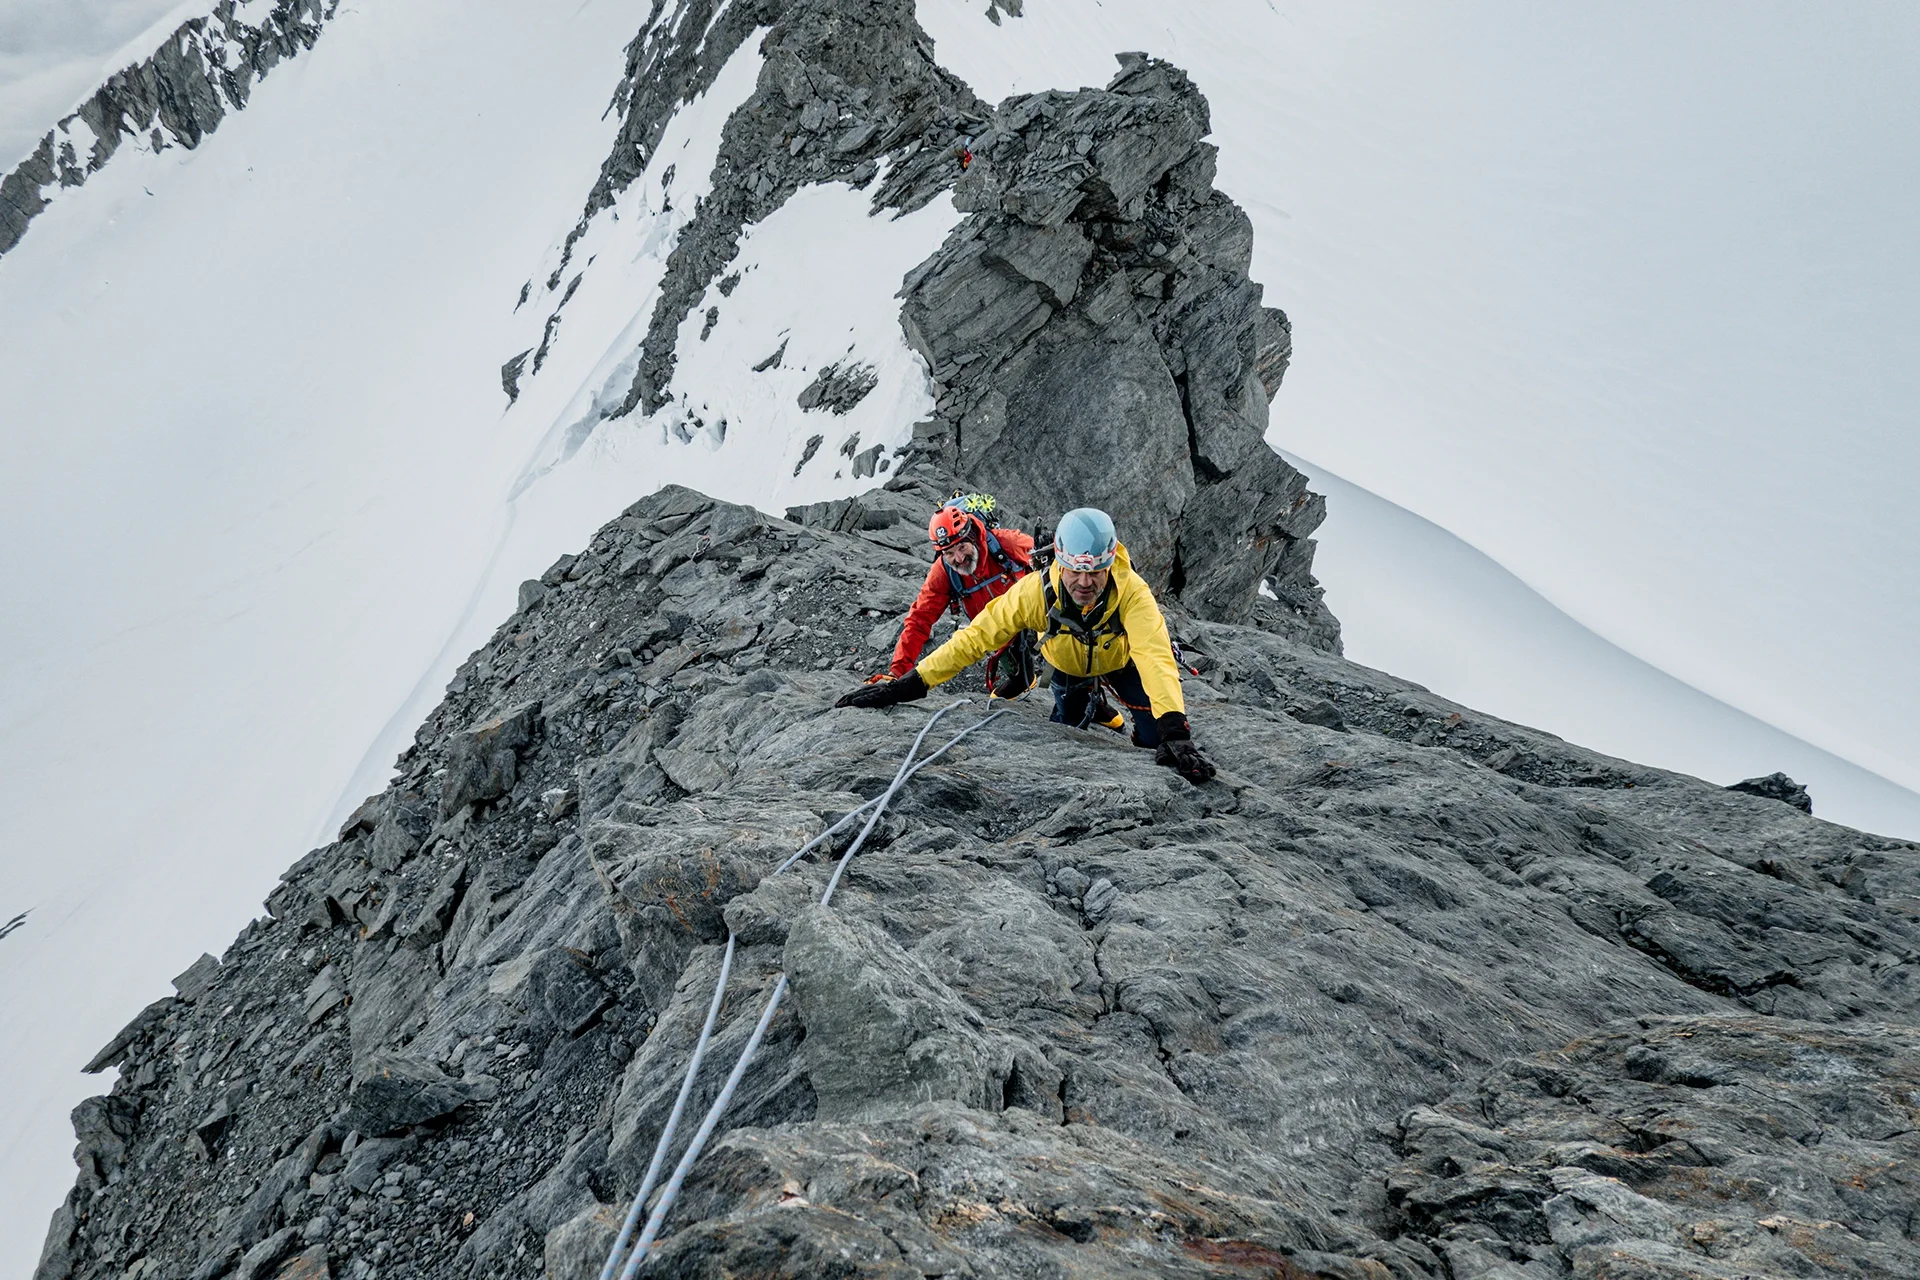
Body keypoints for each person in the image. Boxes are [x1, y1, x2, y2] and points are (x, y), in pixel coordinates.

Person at [837, 507, 1215, 784]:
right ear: (1060, 563)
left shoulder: (1131, 590)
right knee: (1064, 735)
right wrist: (905, 685)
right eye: (1075, 572)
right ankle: (1093, 708)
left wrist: (1175, 730)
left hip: (1120, 659)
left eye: (1095, 572)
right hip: (1067, 665)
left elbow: (1154, 655)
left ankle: (1126, 723)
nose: (1085, 583)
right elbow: (974, 639)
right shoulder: (1035, 592)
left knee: (1155, 740)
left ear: (1110, 563)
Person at [887, 495, 1037, 700]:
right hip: (999, 630)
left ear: (973, 536)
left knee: (1068, 663)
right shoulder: (943, 572)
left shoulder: (1007, 544)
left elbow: (1056, 565)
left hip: (1035, 611)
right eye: (949, 552)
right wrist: (897, 673)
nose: (959, 558)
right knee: (1020, 674)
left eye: (962, 547)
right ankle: (1023, 678)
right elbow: (920, 619)